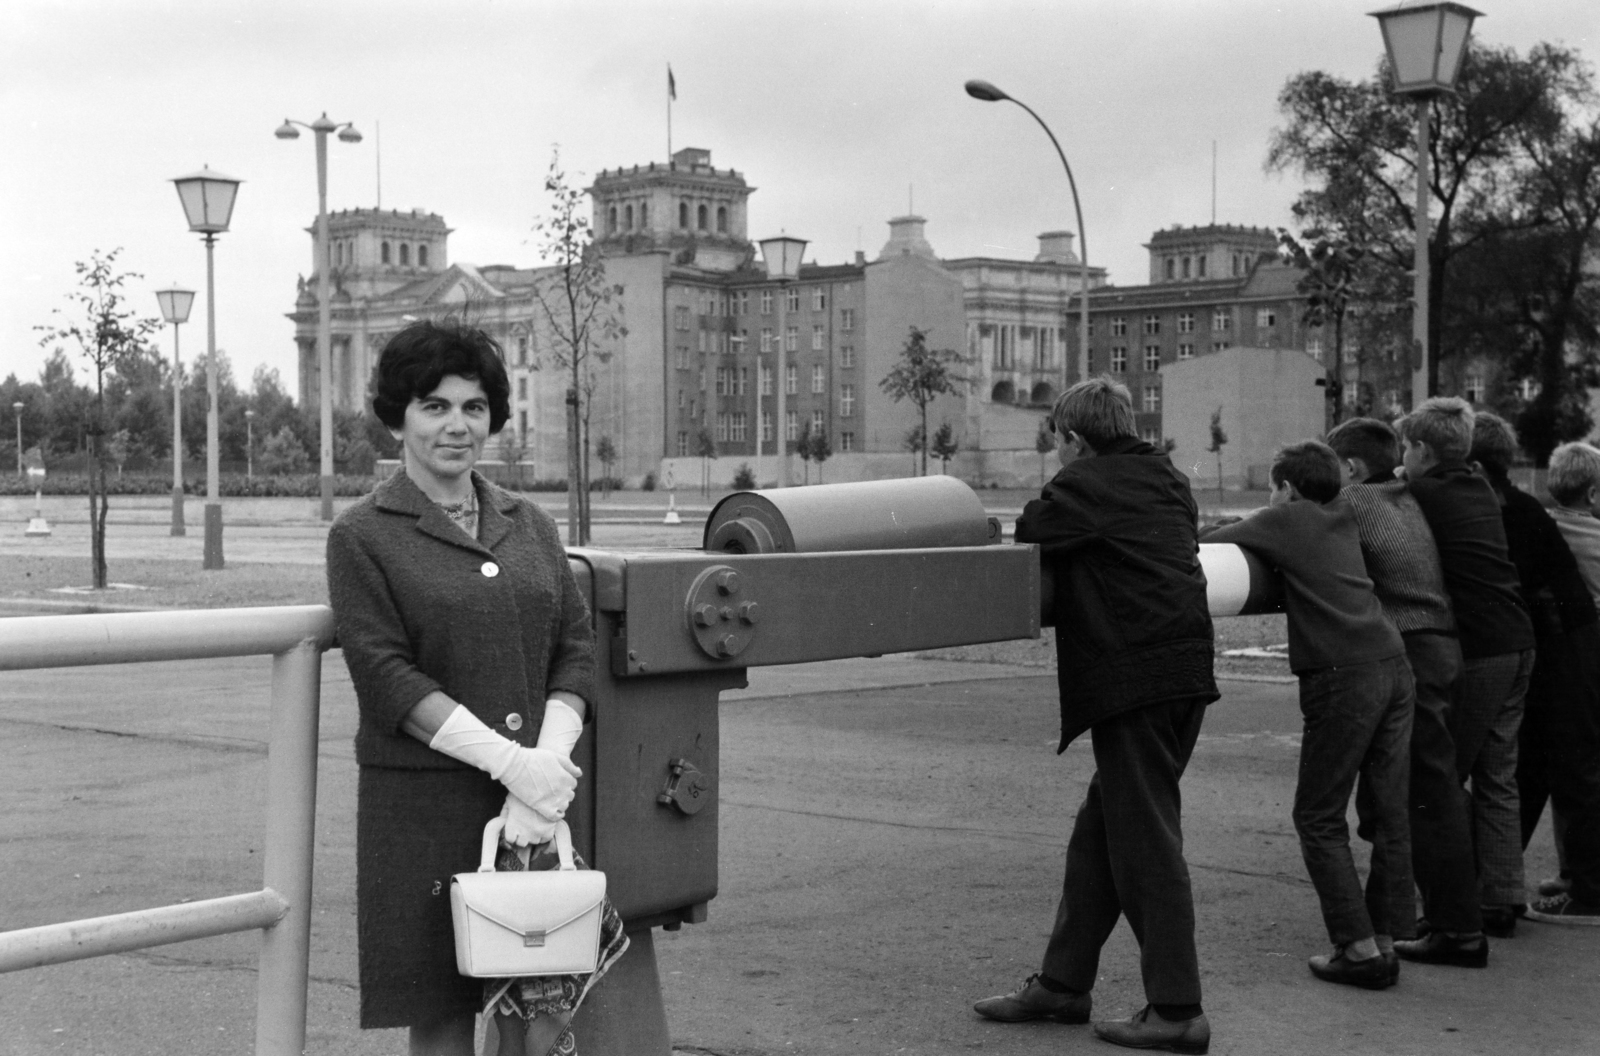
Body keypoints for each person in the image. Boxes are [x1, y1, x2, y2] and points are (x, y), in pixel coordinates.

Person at [326, 320, 615, 1056]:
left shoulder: (532, 524)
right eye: (435, 406)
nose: (457, 425)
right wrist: (510, 765)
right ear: (398, 417)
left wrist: (543, 772)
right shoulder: (363, 535)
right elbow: (386, 674)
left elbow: (575, 651)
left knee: (540, 1011)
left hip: (536, 807)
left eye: (474, 407)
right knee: (444, 1013)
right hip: (424, 805)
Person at [976, 377, 1217, 1054]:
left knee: (1145, 846)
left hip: (1134, 677)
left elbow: (1034, 529)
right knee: (1101, 834)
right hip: (1185, 672)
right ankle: (1062, 984)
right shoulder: (1167, 477)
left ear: (1074, 439)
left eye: (1057, 441)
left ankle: (1177, 1008)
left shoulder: (1082, 486)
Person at [1205, 440, 1414, 989]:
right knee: (1388, 812)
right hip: (1393, 662)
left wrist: (1249, 519)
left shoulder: (1286, 519)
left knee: (1319, 816)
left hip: (1343, 675)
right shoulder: (1343, 513)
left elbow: (1206, 542)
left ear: (1286, 489)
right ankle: (1385, 937)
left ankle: (1358, 948)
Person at [1326, 419, 1480, 959]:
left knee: (1418, 793)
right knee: (1422, 788)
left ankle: (1455, 929)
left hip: (1412, 647)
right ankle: (1413, 919)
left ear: (1348, 468)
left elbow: (1296, 531)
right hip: (1442, 645)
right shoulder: (1401, 497)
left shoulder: (1352, 502)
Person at [1393, 398, 1535, 960]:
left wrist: (1400, 476)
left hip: (1479, 650)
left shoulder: (1422, 495)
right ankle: (1501, 895)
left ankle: (1448, 909)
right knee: (1498, 774)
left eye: (1407, 447)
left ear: (1423, 450)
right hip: (1519, 641)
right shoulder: (1477, 486)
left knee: (1439, 779)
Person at [1519, 440, 1600, 924]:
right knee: (1584, 770)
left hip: (1561, 660)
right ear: (1592, 493)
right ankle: (1579, 876)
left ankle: (1578, 874)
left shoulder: (1545, 532)